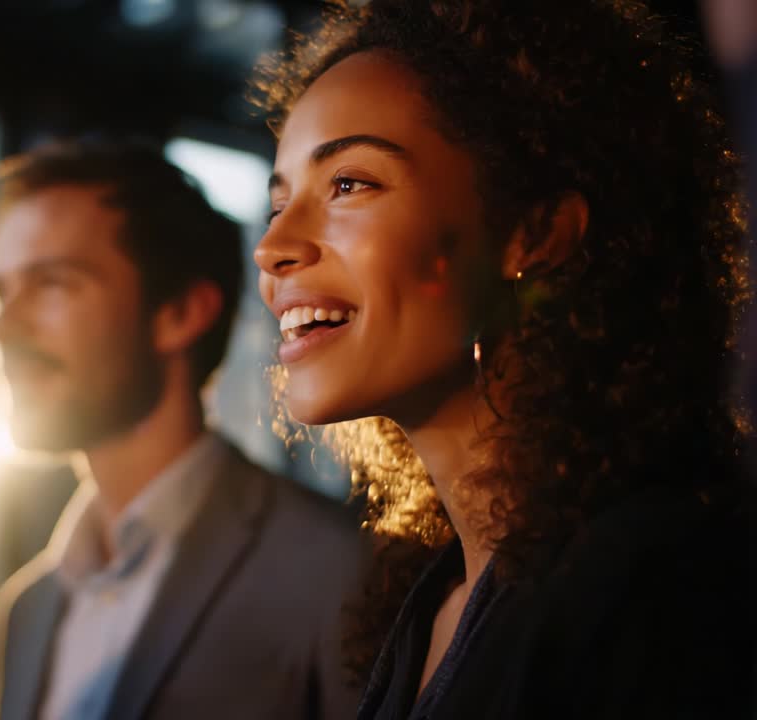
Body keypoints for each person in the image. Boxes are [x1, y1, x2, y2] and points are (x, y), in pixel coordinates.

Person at [254, 1, 755, 717]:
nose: (272, 248)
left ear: (534, 232)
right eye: (278, 205)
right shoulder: (436, 600)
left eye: (350, 184)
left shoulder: (665, 589)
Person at [0, 139, 368, 720]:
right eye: (2, 293)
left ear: (181, 313)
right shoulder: (24, 611)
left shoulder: (337, 569)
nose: (4, 329)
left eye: (52, 283)